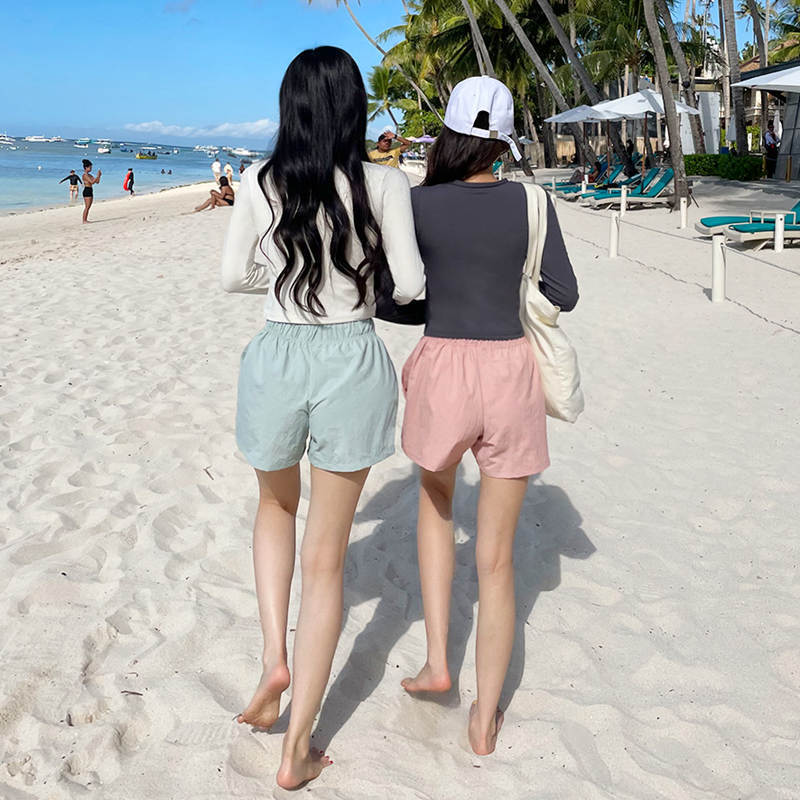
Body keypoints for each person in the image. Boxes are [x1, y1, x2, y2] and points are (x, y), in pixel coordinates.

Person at [220, 46, 424, 789]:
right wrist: (356, 281)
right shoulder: (385, 182)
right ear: (353, 108)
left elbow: (232, 276)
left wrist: (285, 280)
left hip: (277, 351)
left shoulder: (259, 180)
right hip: (351, 355)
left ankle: (274, 658)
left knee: (274, 507)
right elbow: (410, 283)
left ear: (292, 108)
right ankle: (297, 746)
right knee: (327, 559)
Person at [399, 76, 578, 756]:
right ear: (503, 141)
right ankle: (483, 720)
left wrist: (444, 296)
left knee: (436, 504)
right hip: (510, 368)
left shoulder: (419, 203)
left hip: (444, 363)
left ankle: (437, 662)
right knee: (497, 559)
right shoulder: (532, 201)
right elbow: (564, 291)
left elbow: (392, 295)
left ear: (447, 133)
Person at [80, 159, 101, 224]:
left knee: (88, 206)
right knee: (87, 206)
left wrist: (99, 176)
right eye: (90, 167)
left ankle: (85, 220)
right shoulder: (85, 175)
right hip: (86, 190)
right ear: (86, 168)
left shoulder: (90, 175)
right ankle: (84, 220)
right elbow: (92, 182)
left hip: (90, 190)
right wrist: (97, 176)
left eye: (91, 167)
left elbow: (97, 182)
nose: (91, 169)